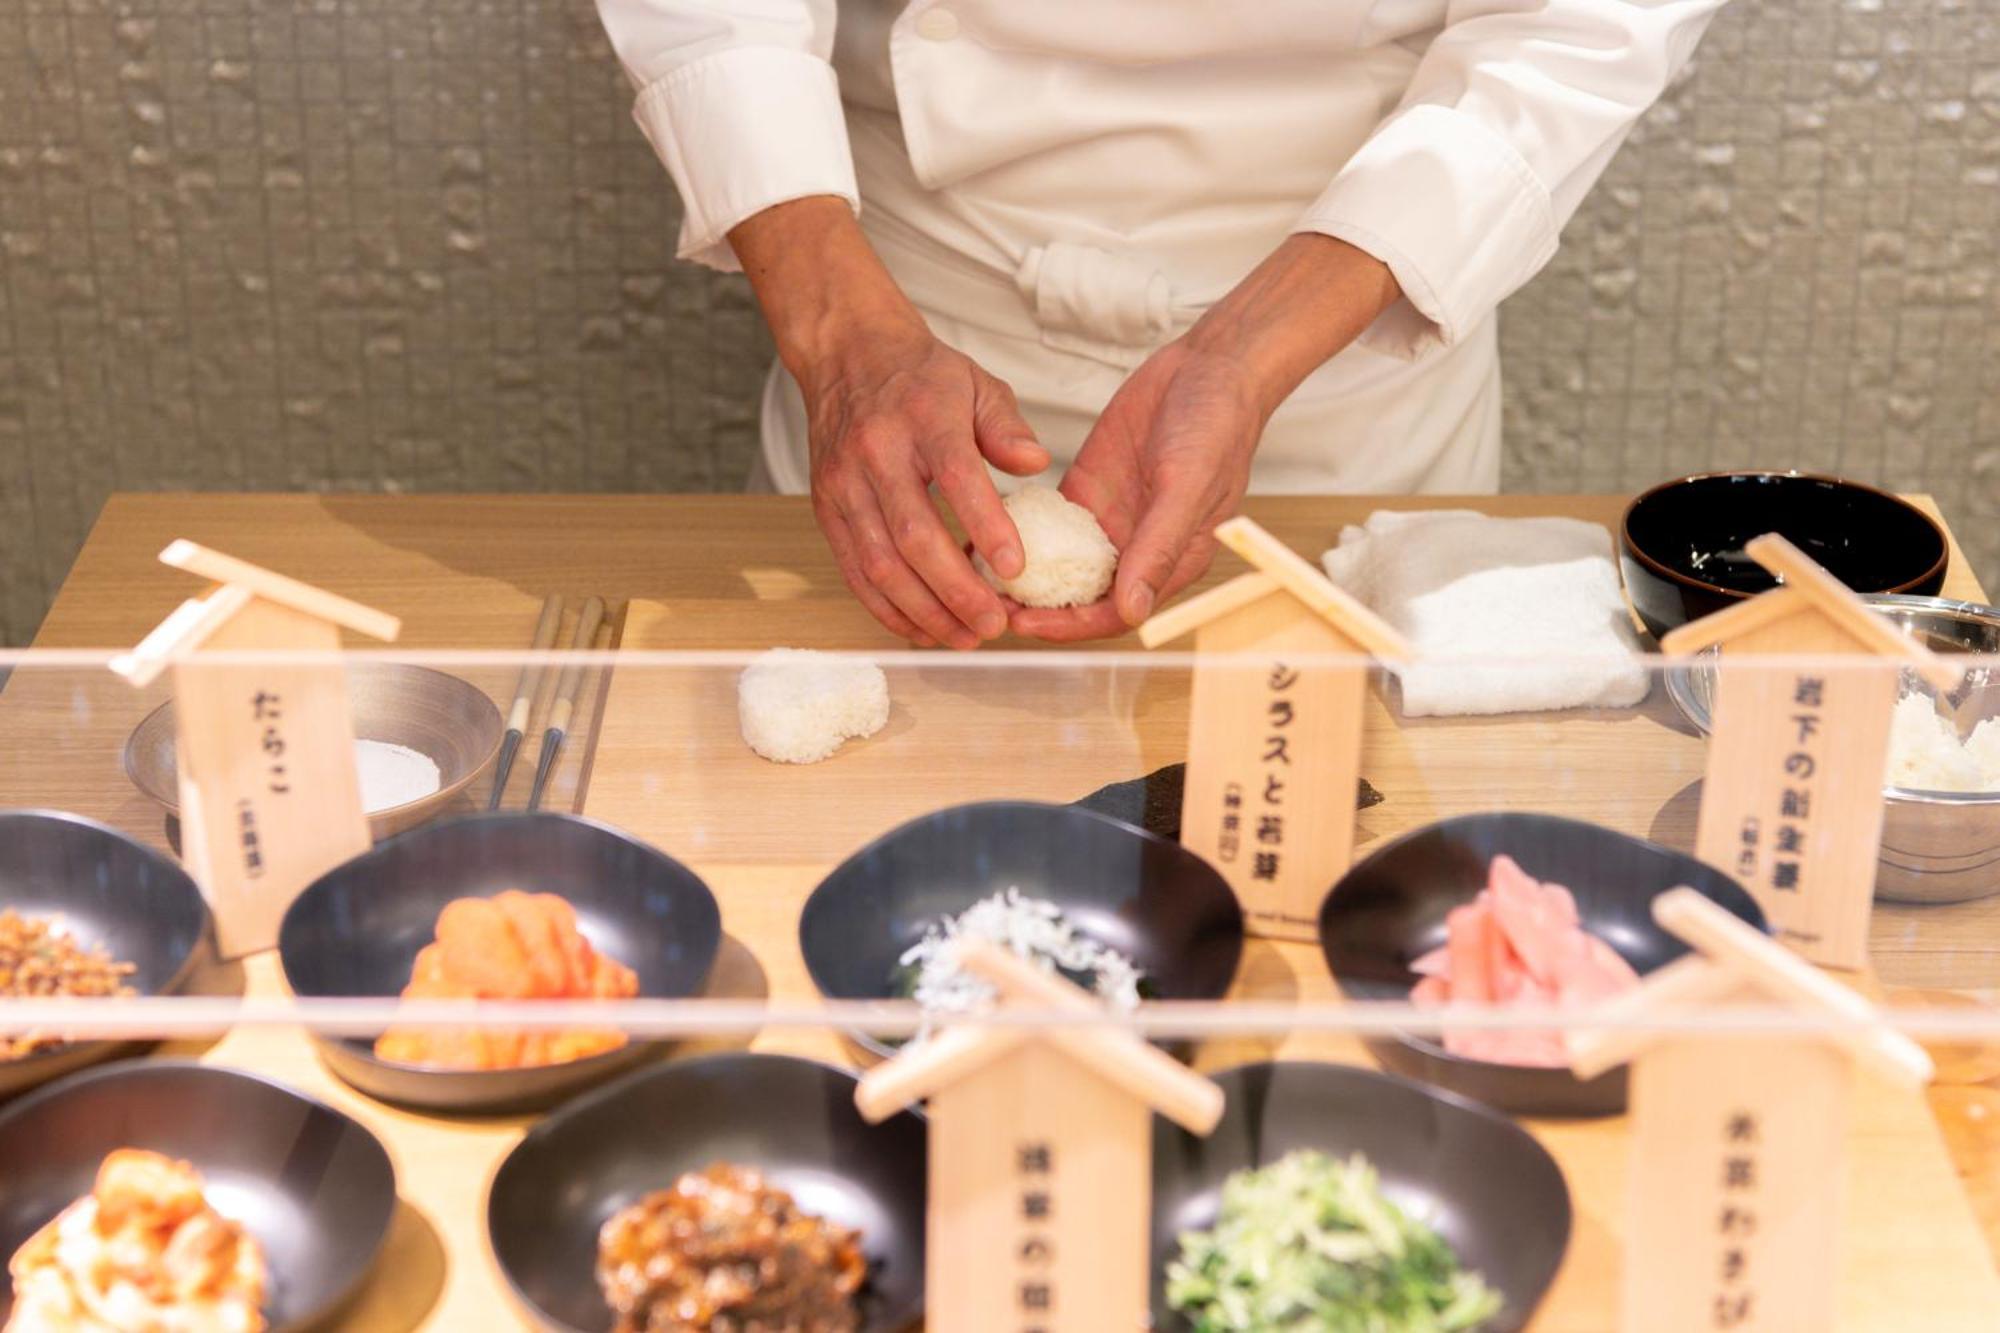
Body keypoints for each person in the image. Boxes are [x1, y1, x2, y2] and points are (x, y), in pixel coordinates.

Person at [595, 1, 1725, 647]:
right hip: (900, 318)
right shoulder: (859, 346)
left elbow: (1579, 28)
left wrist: (1246, 353)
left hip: (1342, 353)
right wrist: (842, 342)